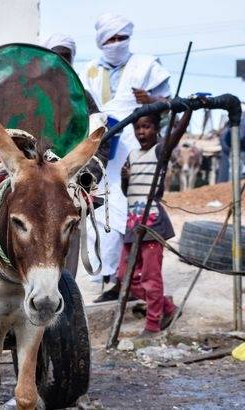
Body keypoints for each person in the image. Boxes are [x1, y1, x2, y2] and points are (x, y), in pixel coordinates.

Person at [80, 13, 172, 298]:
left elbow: (170, 104)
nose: (117, 43)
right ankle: (111, 278)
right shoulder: (89, 71)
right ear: (101, 41)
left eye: (122, 38)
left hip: (134, 150)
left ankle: (129, 282)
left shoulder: (145, 66)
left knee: (129, 217)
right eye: (111, 39)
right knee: (101, 213)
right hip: (101, 151)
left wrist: (151, 101)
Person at [118, 109, 191, 338]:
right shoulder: (131, 155)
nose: (142, 131)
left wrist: (187, 112)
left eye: (147, 126)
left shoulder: (160, 151)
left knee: (151, 278)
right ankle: (167, 308)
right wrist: (124, 179)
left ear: (156, 129)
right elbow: (127, 192)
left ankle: (152, 325)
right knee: (124, 277)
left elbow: (176, 134)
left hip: (152, 225)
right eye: (138, 127)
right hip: (133, 224)